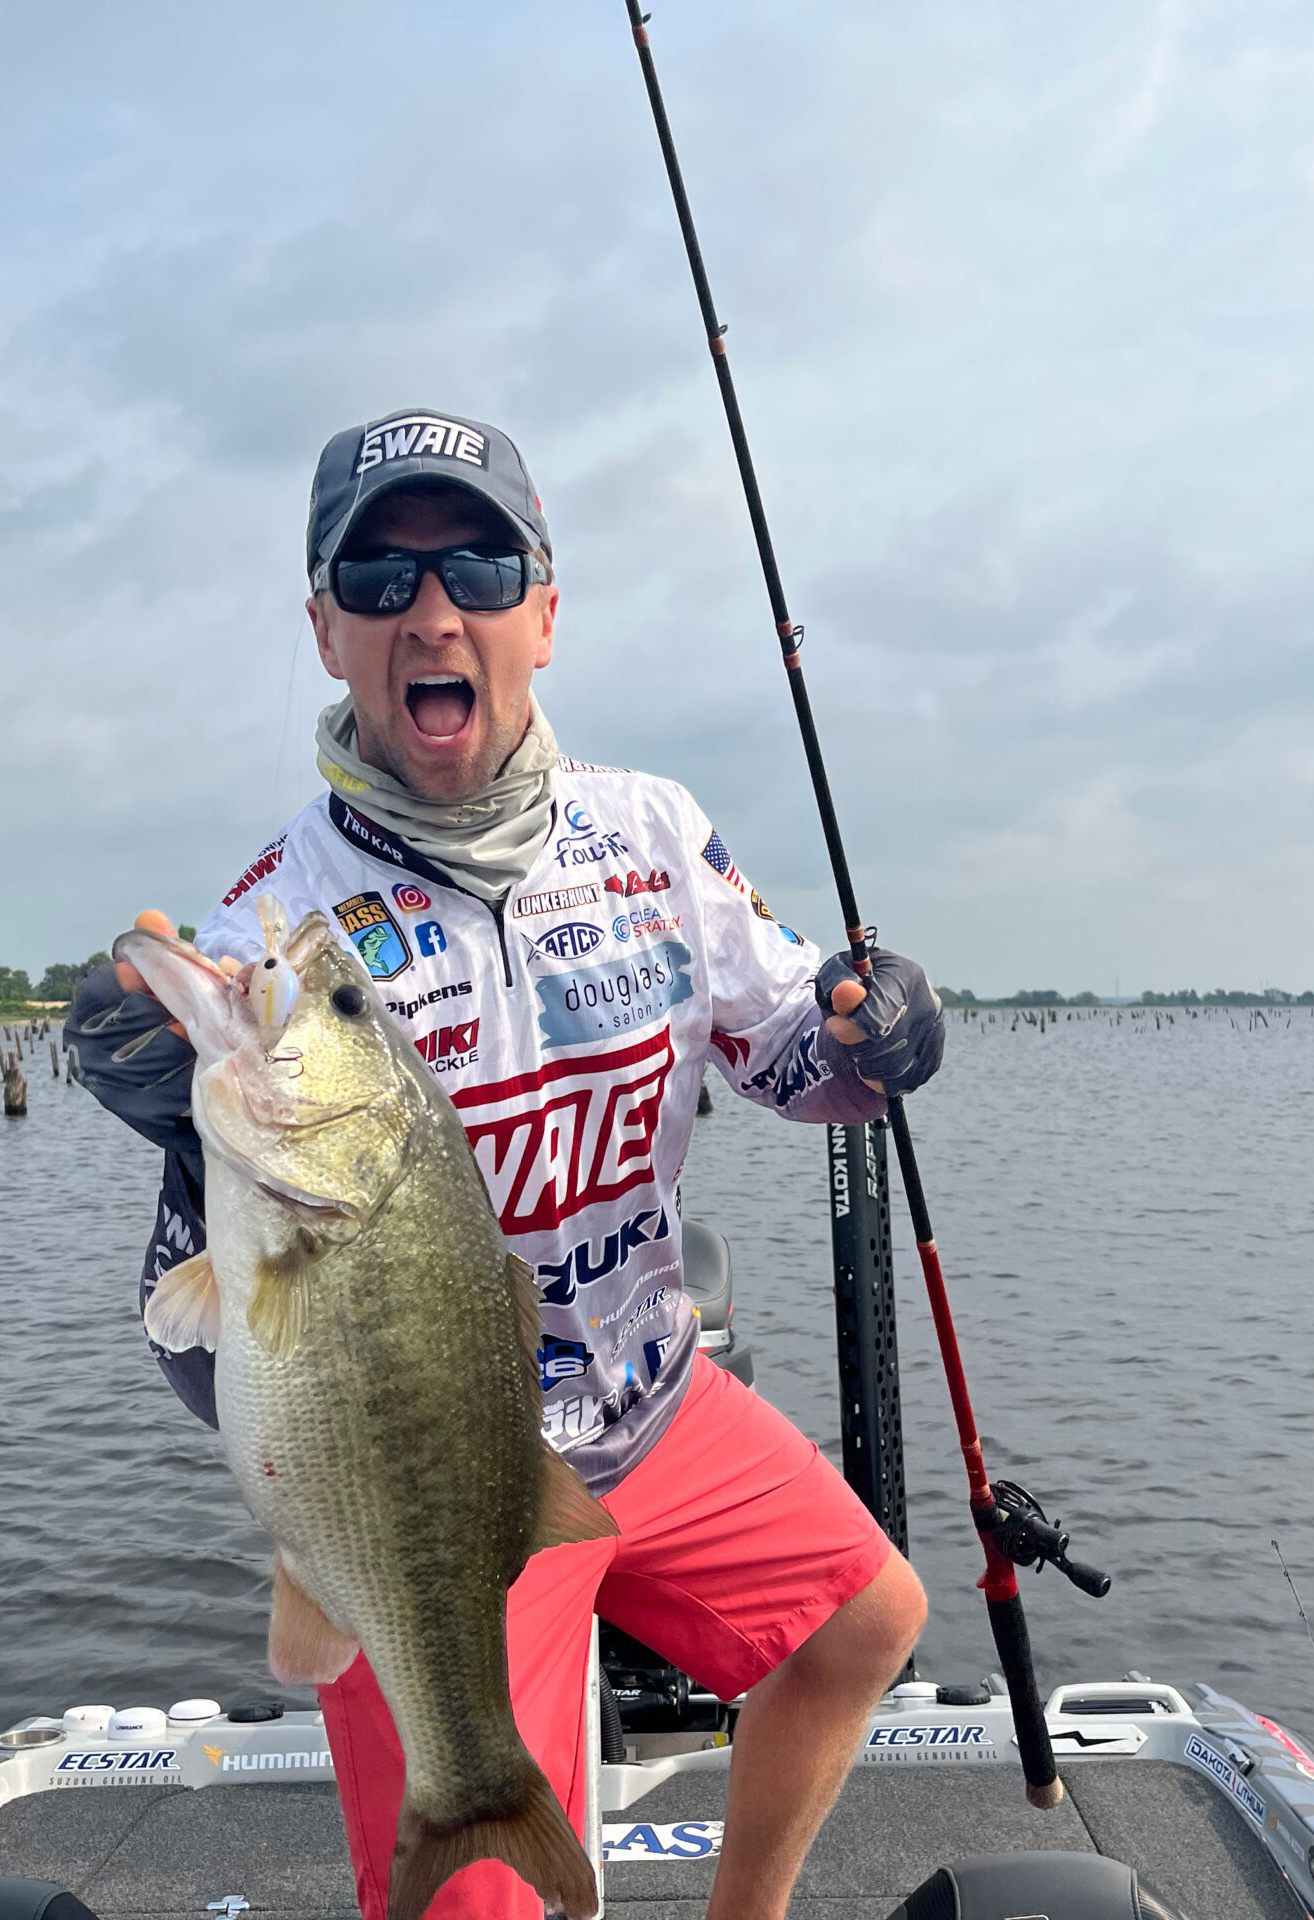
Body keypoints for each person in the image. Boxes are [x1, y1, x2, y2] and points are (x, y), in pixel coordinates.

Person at [67, 406, 950, 1920]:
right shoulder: (273, 931)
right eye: (380, 575)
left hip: (653, 1398)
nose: (433, 610)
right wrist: (169, 1116)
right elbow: (194, 1319)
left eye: (477, 565)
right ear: (326, 631)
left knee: (866, 1620)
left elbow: (794, 1058)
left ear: (544, 611)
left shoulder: (654, 837)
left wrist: (878, 1038)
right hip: (427, 1480)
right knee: (480, 1887)